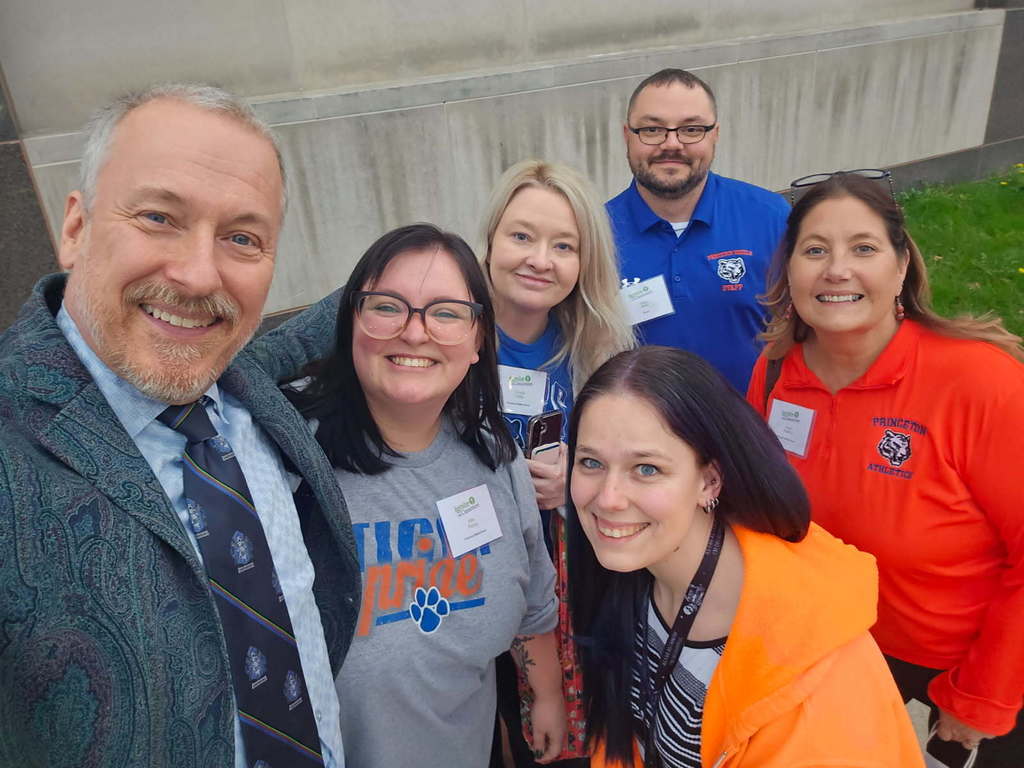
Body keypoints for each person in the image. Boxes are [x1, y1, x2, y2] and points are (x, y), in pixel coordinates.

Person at [0, 85, 359, 767]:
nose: (198, 275)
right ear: (74, 228)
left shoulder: (244, 384)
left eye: (242, 238)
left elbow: (301, 333)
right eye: (160, 217)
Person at [747, 171, 1024, 766]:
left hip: (955, 676)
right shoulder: (773, 373)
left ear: (901, 267)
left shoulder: (980, 383)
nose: (836, 269)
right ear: (789, 269)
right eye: (814, 249)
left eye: (863, 248)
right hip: (830, 659)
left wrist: (979, 697)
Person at [286, 223, 564, 767]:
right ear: (350, 322)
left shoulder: (493, 453)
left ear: (479, 338)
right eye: (387, 306)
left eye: (445, 313)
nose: (415, 333)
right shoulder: (284, 450)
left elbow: (532, 600)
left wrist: (546, 697)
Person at [566, 346, 924, 767]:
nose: (608, 499)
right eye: (590, 462)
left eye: (646, 469)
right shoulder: (637, 568)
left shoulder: (813, 683)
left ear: (710, 482)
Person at [481, 159, 634, 765]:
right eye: (521, 236)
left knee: (566, 731)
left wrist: (585, 470)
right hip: (477, 563)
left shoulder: (599, 346)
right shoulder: (445, 335)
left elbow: (633, 458)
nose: (540, 259)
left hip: (572, 568)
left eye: (563, 245)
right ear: (490, 240)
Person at [605, 68, 789, 393]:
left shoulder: (771, 218)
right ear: (626, 135)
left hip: (748, 434)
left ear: (715, 134)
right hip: (639, 437)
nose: (672, 144)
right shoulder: (594, 234)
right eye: (652, 129)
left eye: (691, 129)